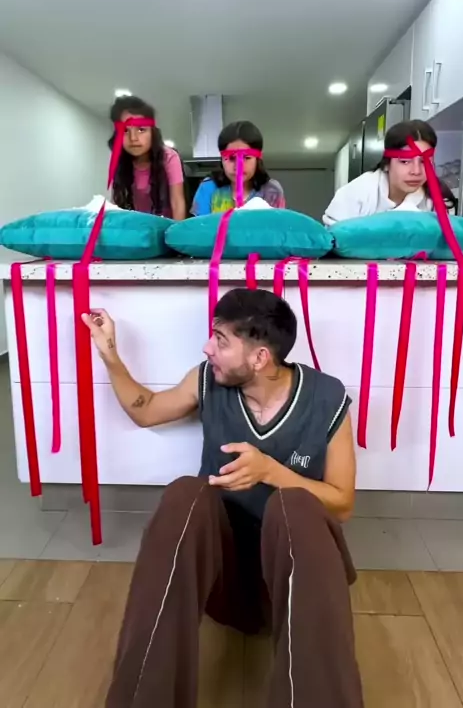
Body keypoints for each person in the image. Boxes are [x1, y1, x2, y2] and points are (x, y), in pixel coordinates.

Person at [83, 288, 363, 708]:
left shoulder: (326, 397)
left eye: (221, 340)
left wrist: (271, 472)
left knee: (296, 506)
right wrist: (109, 353)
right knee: (186, 493)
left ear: (260, 357)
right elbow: (146, 409)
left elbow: (342, 503)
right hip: (222, 585)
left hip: (296, 588)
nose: (207, 348)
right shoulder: (207, 381)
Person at [323, 119, 457, 226]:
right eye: (405, 161)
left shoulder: (440, 201)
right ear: (387, 164)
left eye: (424, 162)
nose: (416, 171)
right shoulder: (357, 194)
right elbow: (334, 239)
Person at [109, 95, 186, 220]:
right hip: (135, 225)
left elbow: (177, 202)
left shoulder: (169, 157)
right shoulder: (118, 160)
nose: (133, 138)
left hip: (166, 225)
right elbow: (116, 201)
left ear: (152, 132)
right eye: (125, 131)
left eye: (141, 130)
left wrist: (176, 231)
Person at [191, 120, 285, 215]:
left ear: (258, 159)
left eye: (246, 158)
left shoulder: (272, 191)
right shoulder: (208, 188)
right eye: (231, 158)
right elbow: (200, 224)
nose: (238, 166)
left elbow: (277, 223)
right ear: (222, 159)